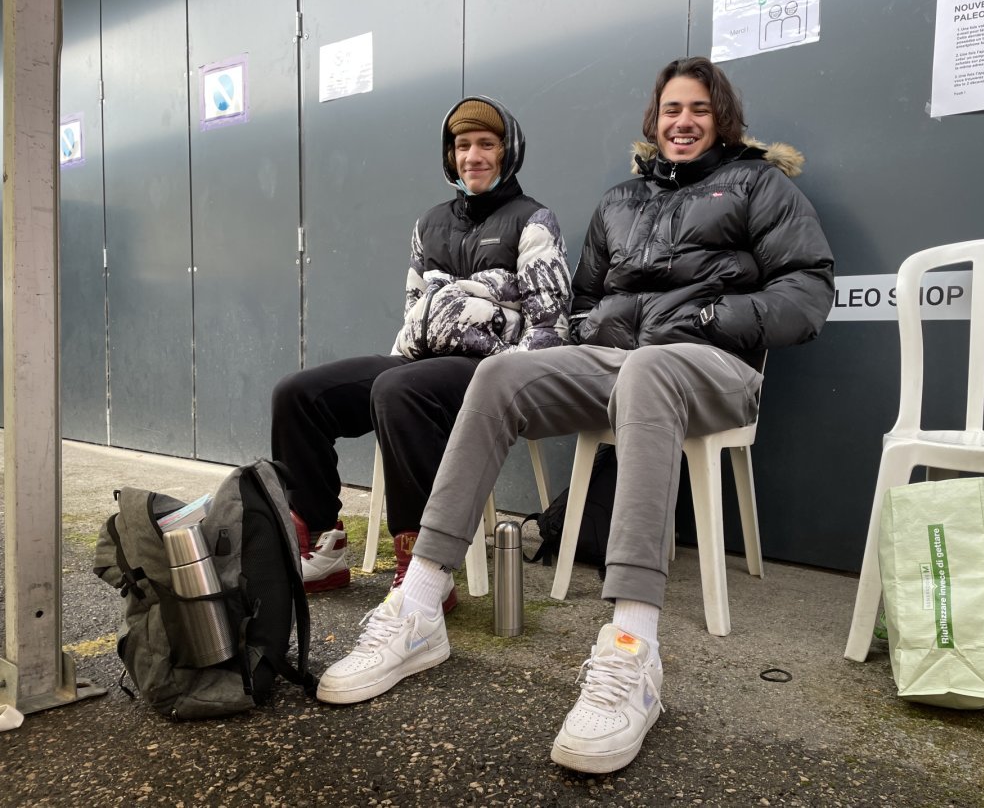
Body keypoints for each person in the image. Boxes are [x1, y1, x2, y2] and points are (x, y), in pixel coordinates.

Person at [315, 58, 834, 773]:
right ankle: (421, 604)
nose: (683, 122)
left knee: (652, 368)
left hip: (717, 365)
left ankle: (633, 650)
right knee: (499, 373)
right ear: (654, 121)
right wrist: (601, 333)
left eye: (700, 111)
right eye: (671, 110)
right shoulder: (621, 200)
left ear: (722, 119)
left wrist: (712, 314)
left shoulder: (758, 184)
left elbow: (807, 292)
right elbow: (582, 301)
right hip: (626, 359)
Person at [271, 96, 571, 603]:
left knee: (398, 389)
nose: (473, 156)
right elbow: (414, 306)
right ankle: (323, 545)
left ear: (508, 151)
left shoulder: (532, 220)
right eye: (462, 146)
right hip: (417, 364)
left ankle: (424, 565)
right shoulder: (429, 223)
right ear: (449, 156)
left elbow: (550, 323)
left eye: (486, 144)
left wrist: (514, 380)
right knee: (298, 394)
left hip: (491, 370)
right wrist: (402, 351)